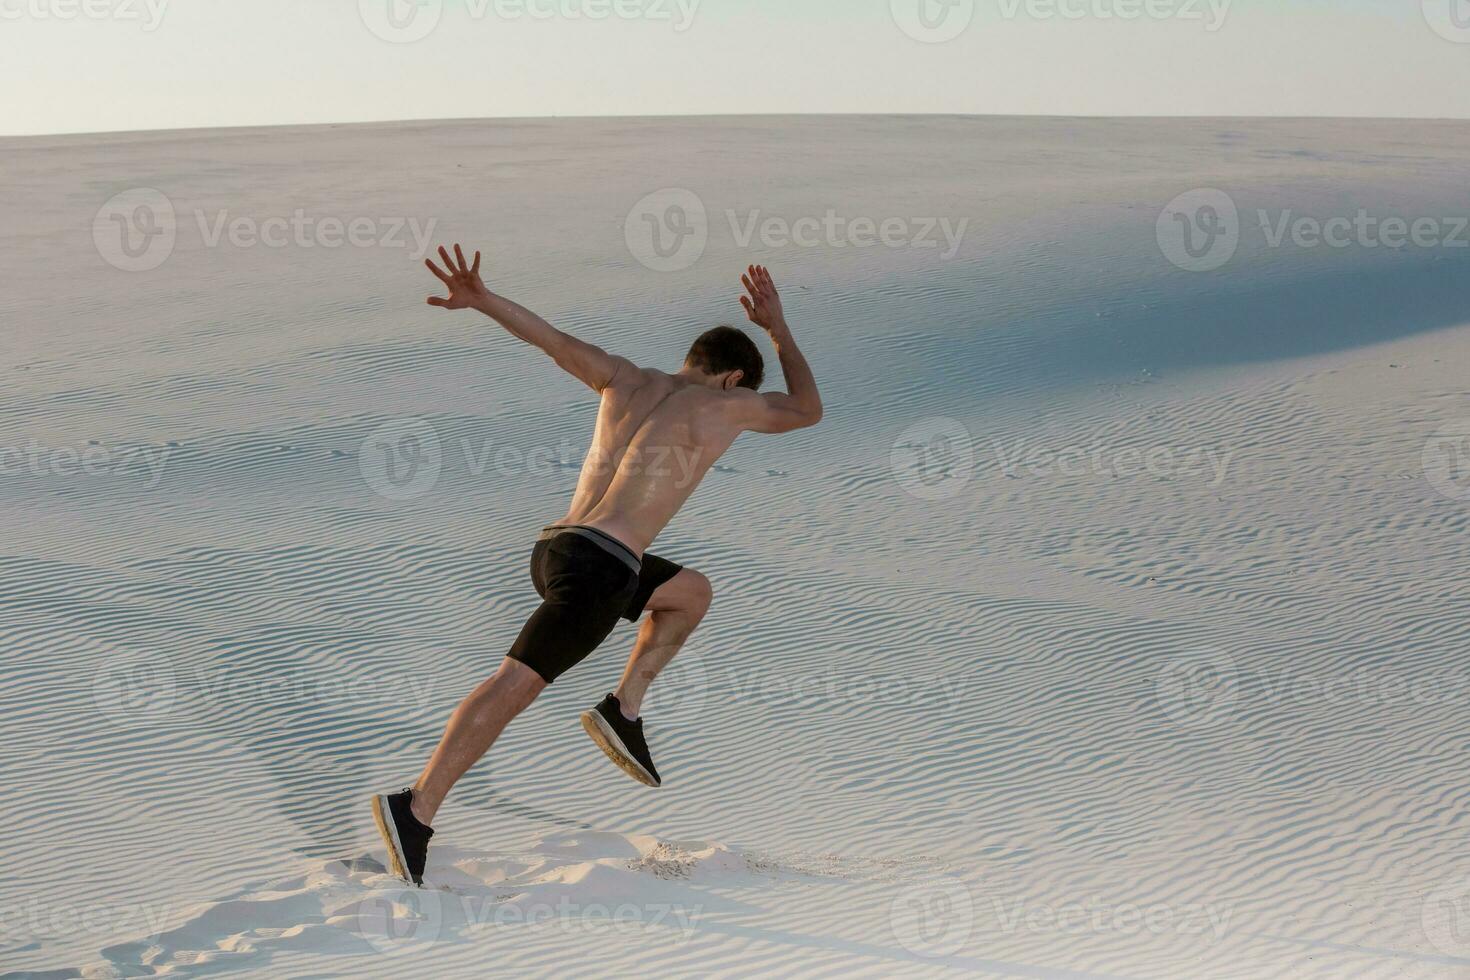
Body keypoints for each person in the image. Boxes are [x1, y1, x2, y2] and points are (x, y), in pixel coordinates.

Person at [372, 244, 823, 885]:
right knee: (514, 686)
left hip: (556, 548)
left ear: (691, 360)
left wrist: (483, 299)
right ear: (731, 379)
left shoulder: (624, 377)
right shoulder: (726, 406)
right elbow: (808, 408)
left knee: (690, 592)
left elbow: (550, 339)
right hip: (601, 570)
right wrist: (778, 330)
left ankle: (623, 709)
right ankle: (415, 807)